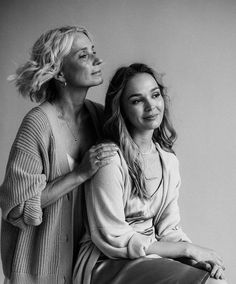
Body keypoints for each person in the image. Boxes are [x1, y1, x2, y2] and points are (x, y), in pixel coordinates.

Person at [73, 63, 227, 284]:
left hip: (151, 257)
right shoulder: (109, 159)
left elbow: (169, 229)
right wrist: (186, 249)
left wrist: (191, 259)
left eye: (155, 95)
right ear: (121, 109)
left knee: (213, 279)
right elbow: (112, 236)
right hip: (107, 261)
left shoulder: (168, 161)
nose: (150, 106)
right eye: (137, 100)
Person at [0, 25, 118, 283]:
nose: (98, 60)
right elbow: (17, 205)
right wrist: (79, 174)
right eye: (83, 55)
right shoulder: (38, 123)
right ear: (60, 71)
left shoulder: (100, 117)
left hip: (85, 269)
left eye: (94, 51)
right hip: (39, 271)